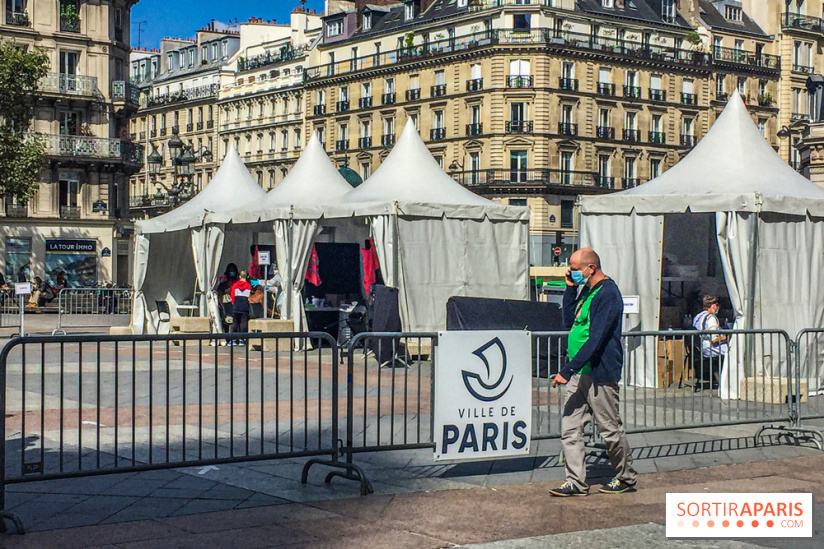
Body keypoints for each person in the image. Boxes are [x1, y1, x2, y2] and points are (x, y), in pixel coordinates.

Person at [549, 247, 637, 497]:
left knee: (609, 428)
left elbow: (597, 338)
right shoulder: (587, 290)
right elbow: (569, 321)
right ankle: (575, 481)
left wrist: (567, 369)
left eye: (575, 269)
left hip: (599, 372)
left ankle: (626, 477)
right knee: (570, 426)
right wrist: (570, 288)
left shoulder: (608, 293)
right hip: (580, 372)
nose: (571, 272)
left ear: (591, 268)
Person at [691, 295, 727, 390]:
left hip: (701, 346)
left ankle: (719, 377)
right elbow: (714, 339)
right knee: (732, 351)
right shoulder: (711, 319)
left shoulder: (698, 317)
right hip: (710, 347)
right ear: (714, 306)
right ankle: (727, 380)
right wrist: (727, 337)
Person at [229, 270, 252, 345]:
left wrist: (233, 303)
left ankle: (233, 340)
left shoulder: (235, 285)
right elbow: (249, 296)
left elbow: (232, 296)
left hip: (236, 305)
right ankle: (242, 340)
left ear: (239, 276)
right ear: (247, 276)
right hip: (245, 306)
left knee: (235, 322)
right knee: (243, 323)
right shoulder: (248, 285)